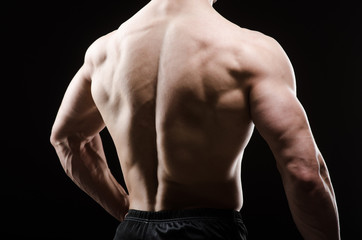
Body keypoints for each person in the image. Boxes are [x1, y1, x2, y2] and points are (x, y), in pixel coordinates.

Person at [50, 0, 340, 239]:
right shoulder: (251, 52)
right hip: (208, 231)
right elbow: (305, 173)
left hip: (133, 231)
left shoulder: (104, 52)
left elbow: (66, 139)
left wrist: (126, 211)